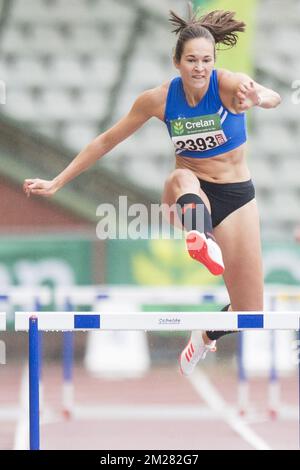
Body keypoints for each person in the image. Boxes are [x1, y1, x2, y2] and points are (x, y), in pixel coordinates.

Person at [23, 7, 281, 376]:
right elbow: (105, 140)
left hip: (237, 197)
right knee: (181, 178)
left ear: (214, 62)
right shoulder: (159, 99)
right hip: (188, 195)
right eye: (191, 60)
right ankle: (201, 237)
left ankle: (205, 334)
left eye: (206, 60)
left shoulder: (228, 85)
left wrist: (258, 96)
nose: (200, 68)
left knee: (251, 313)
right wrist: (58, 180)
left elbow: (272, 97)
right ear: (176, 62)